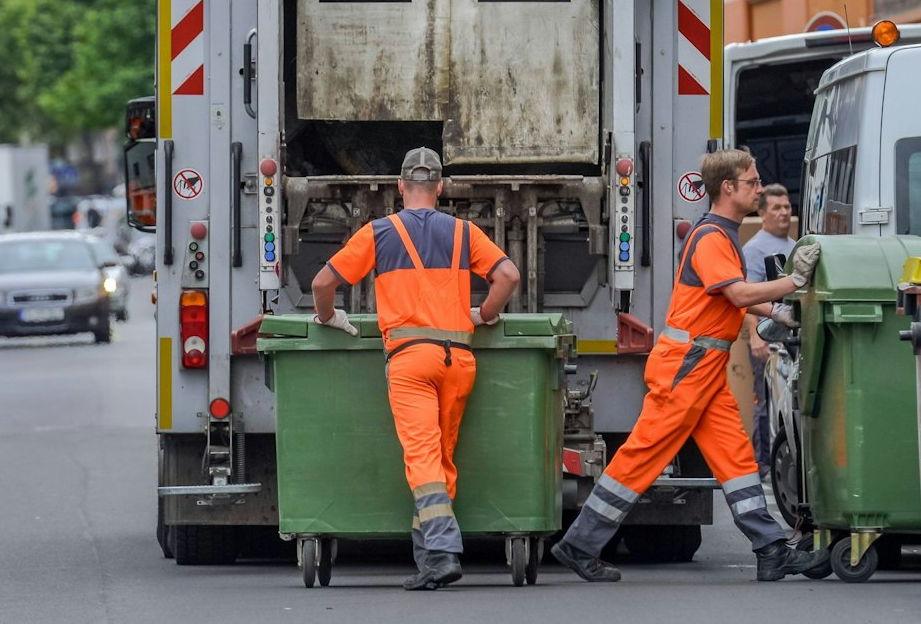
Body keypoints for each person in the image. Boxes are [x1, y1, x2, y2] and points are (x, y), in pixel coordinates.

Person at [551, 149, 822, 583]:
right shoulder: (712, 236)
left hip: (702, 368)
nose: (757, 187)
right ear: (728, 188)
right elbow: (735, 294)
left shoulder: (721, 234)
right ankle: (579, 545)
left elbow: (728, 299)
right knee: (642, 457)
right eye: (751, 182)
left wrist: (778, 312)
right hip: (688, 368)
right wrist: (794, 284)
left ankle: (771, 549)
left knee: (735, 458)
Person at [311, 147, 523, 592]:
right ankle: (429, 559)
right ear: (441, 188)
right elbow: (509, 276)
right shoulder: (465, 233)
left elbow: (322, 283)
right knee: (441, 458)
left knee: (422, 457)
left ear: (400, 187)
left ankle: (444, 551)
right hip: (459, 359)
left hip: (410, 360)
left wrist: (328, 316)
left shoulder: (379, 232)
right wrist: (483, 313)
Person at [739, 184, 797, 476]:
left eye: (786, 206)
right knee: (765, 400)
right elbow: (748, 296)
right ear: (762, 214)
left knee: (787, 400)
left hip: (791, 337)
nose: (784, 212)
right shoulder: (755, 250)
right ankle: (761, 463)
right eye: (776, 207)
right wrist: (755, 336)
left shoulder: (794, 246)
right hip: (768, 336)